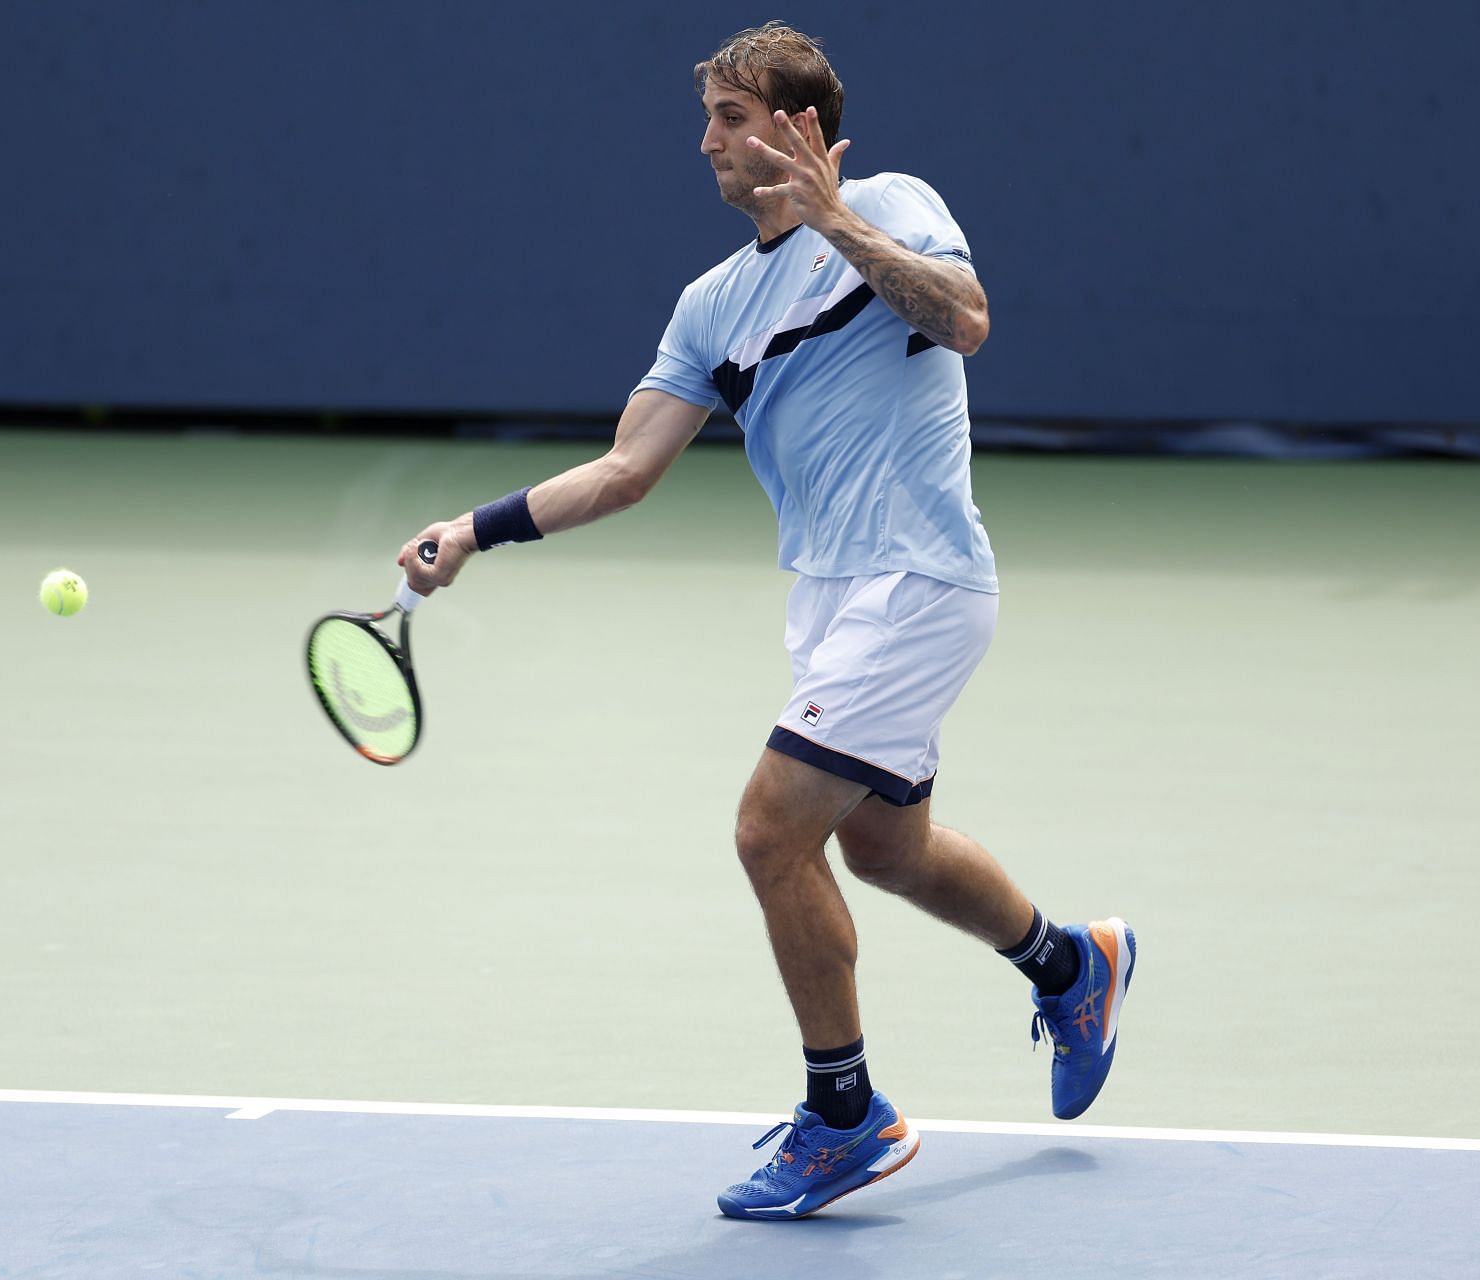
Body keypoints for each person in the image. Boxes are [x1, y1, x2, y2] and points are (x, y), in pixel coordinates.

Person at [397, 21, 1135, 1220]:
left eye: (731, 120)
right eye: (709, 122)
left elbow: (965, 320)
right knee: (885, 849)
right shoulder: (712, 304)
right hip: (831, 598)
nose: (708, 144)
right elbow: (627, 467)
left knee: (767, 830)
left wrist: (838, 220)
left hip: (919, 580)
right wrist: (475, 529)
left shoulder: (893, 203)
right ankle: (1072, 964)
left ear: (803, 132)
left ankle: (846, 1115)